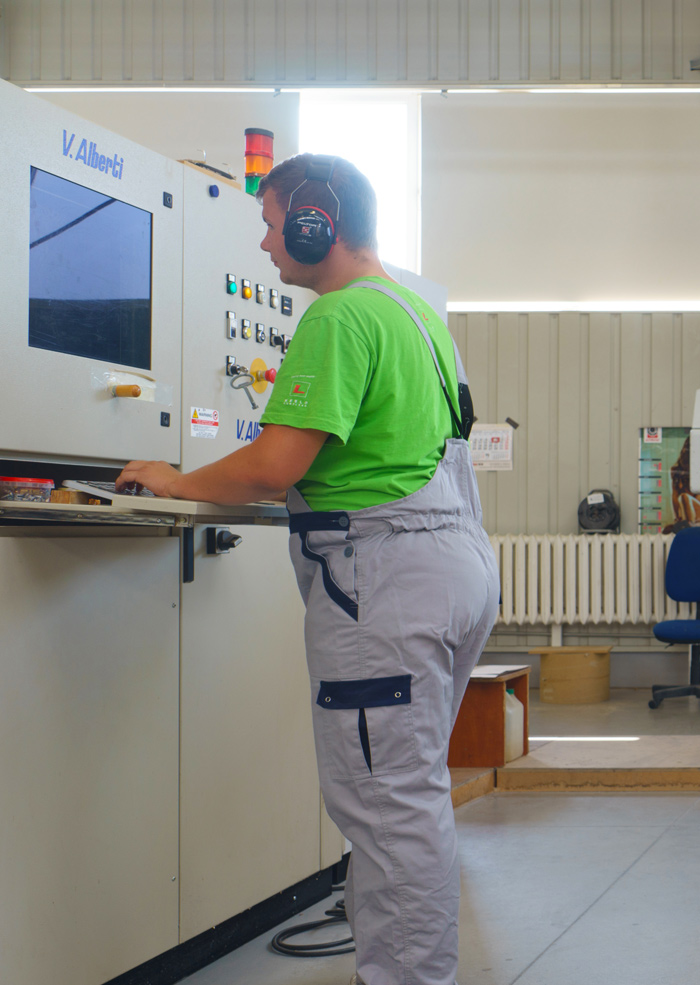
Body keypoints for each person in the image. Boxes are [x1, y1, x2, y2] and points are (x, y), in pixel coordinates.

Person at [116, 153, 500, 985]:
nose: (264, 243)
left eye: (271, 222)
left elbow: (273, 466)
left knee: (389, 808)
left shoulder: (337, 317)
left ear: (315, 222)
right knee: (406, 792)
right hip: (454, 562)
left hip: (386, 581)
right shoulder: (415, 313)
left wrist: (175, 480)